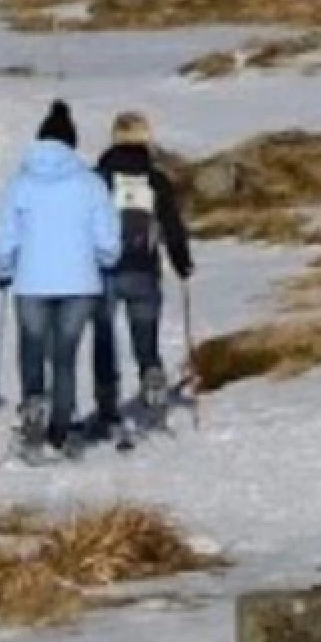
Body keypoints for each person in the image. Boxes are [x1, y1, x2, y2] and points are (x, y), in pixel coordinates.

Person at [0, 101, 121, 461]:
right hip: (80, 284)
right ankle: (61, 431)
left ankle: (33, 412)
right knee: (65, 357)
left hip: (32, 281)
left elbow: (7, 236)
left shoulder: (22, 182)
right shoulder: (91, 183)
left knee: (32, 348)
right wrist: (105, 261)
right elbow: (108, 241)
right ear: (72, 143)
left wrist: (4, 270)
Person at [87, 112, 193, 440]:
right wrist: (182, 262)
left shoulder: (98, 177)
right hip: (145, 270)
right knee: (145, 341)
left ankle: (107, 410)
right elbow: (172, 227)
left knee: (104, 341)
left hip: (105, 271)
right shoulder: (156, 180)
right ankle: (154, 386)